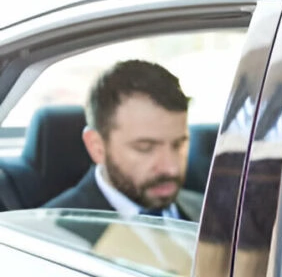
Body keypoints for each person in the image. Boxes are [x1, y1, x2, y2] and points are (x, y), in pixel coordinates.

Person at [45, 60, 201, 220]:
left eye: (178, 145)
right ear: (97, 147)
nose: (171, 168)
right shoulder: (53, 231)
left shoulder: (207, 210)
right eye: (145, 147)